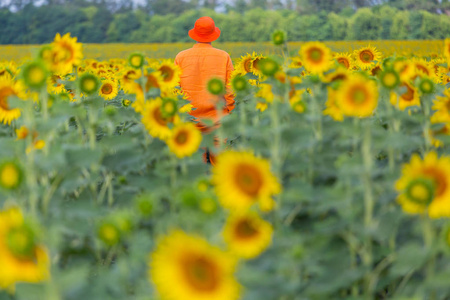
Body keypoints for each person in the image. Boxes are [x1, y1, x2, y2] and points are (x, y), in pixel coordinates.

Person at [174, 16, 235, 134]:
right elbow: (230, 90)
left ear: (195, 34)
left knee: (195, 152)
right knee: (219, 152)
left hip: (189, 120)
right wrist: (231, 114)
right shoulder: (223, 56)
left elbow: (175, 89)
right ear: (213, 34)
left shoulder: (180, 57)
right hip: (218, 120)